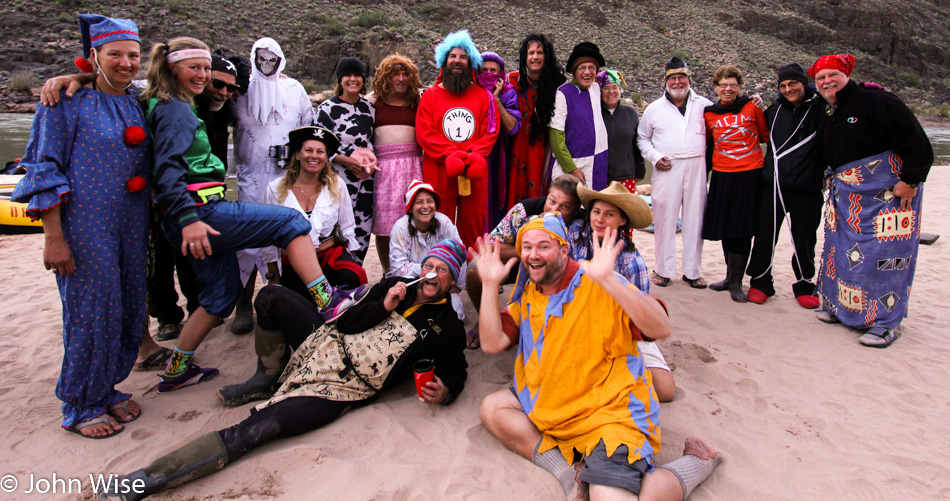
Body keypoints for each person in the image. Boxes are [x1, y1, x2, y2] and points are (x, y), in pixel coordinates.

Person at [99, 241, 468, 499]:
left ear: (453, 282)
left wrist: (446, 389)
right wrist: (383, 305)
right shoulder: (393, 286)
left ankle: (146, 480)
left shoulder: (447, 324)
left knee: (259, 428)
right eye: (429, 266)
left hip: (343, 387)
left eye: (442, 271)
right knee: (271, 297)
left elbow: (457, 369)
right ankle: (268, 375)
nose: (432, 274)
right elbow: (347, 323)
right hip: (324, 343)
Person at [143, 37, 363, 393]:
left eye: (205, 68)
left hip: (189, 215)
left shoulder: (166, 103)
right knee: (292, 221)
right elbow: (168, 171)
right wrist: (189, 220)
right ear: (171, 67)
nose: (202, 75)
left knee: (219, 296)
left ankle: (176, 369)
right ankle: (327, 300)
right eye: (194, 68)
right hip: (200, 212)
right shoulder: (176, 110)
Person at [472, 213, 722, 500]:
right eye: (527, 247)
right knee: (492, 408)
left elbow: (661, 327)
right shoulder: (531, 293)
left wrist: (609, 280)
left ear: (564, 250)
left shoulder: (596, 281)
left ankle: (697, 462)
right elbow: (492, 343)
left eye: (544, 246)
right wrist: (490, 285)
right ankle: (570, 474)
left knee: (611, 497)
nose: (533, 255)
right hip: (556, 403)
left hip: (609, 414)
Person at [12, 14, 149, 439]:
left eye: (133, 55)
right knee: (92, 310)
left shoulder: (138, 102)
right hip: (85, 225)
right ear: (93, 56)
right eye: (115, 55)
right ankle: (80, 404)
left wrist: (76, 76)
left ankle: (105, 388)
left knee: (126, 304)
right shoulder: (64, 103)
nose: (125, 63)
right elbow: (43, 168)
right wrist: (53, 237)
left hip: (131, 225)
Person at [811, 54, 934, 348]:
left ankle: (884, 323)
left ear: (846, 75)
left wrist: (910, 180)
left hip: (890, 196)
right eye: (820, 78)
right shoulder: (826, 108)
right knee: (842, 253)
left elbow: (917, 143)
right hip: (848, 197)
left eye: (833, 75)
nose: (827, 81)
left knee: (886, 258)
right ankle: (841, 309)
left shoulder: (878, 101)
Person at [231, 37, 315, 334]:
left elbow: (308, 125)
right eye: (261, 59)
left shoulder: (294, 90)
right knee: (247, 240)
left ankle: (289, 296)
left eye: (272, 59)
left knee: (290, 232)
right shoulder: (239, 91)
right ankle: (243, 301)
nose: (267, 65)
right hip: (251, 175)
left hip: (287, 175)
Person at [570, 182, 675, 403]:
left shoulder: (631, 260)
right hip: (574, 321)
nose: (599, 219)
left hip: (620, 328)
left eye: (609, 214)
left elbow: (642, 312)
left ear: (622, 220)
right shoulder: (573, 237)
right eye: (596, 212)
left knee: (664, 391)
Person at [464, 176, 582, 349]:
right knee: (474, 270)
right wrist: (528, 252)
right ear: (547, 196)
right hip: (518, 262)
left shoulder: (580, 223)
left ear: (575, 210)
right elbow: (490, 246)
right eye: (552, 201)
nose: (554, 209)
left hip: (557, 272)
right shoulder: (524, 210)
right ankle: (487, 319)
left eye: (564, 206)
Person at [745, 63, 824, 308]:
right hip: (773, 185)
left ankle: (804, 283)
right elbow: (754, 132)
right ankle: (761, 282)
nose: (788, 89)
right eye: (783, 85)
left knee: (804, 237)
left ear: (804, 83)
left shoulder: (821, 109)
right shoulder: (774, 111)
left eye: (793, 84)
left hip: (807, 187)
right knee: (765, 235)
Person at [261, 126, 367, 301]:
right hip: (293, 264)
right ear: (297, 154)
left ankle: (331, 305)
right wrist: (273, 275)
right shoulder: (275, 189)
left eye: (320, 152)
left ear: (326, 158)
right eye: (308, 150)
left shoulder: (337, 185)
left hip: (327, 257)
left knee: (352, 277)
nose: (314, 156)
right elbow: (268, 236)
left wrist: (350, 259)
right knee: (296, 305)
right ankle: (324, 302)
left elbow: (347, 226)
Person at [416, 29, 499, 248]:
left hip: (474, 170)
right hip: (439, 169)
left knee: (473, 224)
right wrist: (449, 154)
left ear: (470, 62)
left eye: (463, 57)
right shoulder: (430, 96)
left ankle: (471, 275)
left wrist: (471, 156)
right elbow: (425, 132)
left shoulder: (484, 96)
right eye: (452, 56)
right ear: (444, 61)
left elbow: (490, 130)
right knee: (438, 222)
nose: (457, 61)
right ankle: (438, 272)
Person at [637, 57, 712, 290]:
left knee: (695, 219)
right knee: (664, 220)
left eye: (681, 77)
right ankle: (663, 270)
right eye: (672, 78)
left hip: (697, 166)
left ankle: (692, 272)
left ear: (689, 79)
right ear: (666, 81)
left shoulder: (705, 105)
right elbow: (642, 138)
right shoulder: (653, 109)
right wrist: (655, 157)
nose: (677, 82)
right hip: (666, 167)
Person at [702, 65, 769, 303]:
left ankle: (737, 284)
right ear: (716, 87)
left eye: (732, 84)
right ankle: (728, 278)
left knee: (742, 228)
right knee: (725, 226)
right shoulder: (709, 113)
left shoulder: (752, 107)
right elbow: (707, 145)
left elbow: (766, 135)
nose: (727, 89)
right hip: (722, 175)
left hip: (749, 174)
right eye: (723, 84)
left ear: (739, 87)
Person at [315, 56, 376, 263]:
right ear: (340, 79)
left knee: (363, 229)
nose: (353, 79)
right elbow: (318, 147)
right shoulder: (326, 109)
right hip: (337, 181)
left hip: (365, 181)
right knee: (337, 229)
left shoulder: (369, 108)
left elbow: (372, 141)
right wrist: (344, 160)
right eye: (348, 75)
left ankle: (356, 273)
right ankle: (337, 275)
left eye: (357, 75)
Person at [369, 54, 425, 273]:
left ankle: (412, 270)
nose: (401, 79)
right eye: (395, 75)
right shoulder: (372, 101)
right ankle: (387, 272)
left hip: (413, 167)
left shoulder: (417, 101)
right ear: (385, 78)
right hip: (384, 170)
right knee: (384, 228)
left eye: (405, 74)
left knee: (415, 222)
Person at [388, 180, 467, 319]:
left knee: (454, 315)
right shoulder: (400, 228)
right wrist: (436, 271)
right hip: (412, 286)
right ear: (410, 207)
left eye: (430, 201)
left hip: (442, 286)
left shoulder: (445, 223)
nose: (425, 206)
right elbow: (397, 268)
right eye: (419, 202)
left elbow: (459, 256)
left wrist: (453, 285)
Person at [506, 34, 566, 207]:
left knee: (543, 197)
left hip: (545, 152)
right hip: (515, 150)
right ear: (525, 57)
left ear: (546, 56)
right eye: (530, 52)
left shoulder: (558, 86)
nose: (535, 57)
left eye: (539, 52)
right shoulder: (512, 81)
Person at [549, 42, 609, 190]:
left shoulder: (596, 89)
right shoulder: (564, 93)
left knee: (594, 205)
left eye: (592, 68)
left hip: (599, 161)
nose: (587, 72)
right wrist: (572, 169)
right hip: (575, 165)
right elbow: (556, 137)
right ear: (574, 70)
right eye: (582, 67)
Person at [478, 51, 522, 228]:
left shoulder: (508, 94)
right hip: (476, 154)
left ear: (501, 73)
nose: (489, 74)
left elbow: (512, 128)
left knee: (497, 202)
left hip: (499, 155)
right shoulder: (471, 91)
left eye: (493, 70)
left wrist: (495, 99)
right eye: (484, 70)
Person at [599, 69, 645, 192]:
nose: (611, 92)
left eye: (615, 87)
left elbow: (638, 144)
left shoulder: (631, 113)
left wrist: (640, 172)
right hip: (600, 177)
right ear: (600, 91)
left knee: (624, 210)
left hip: (626, 177)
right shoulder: (594, 113)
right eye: (606, 88)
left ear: (620, 90)